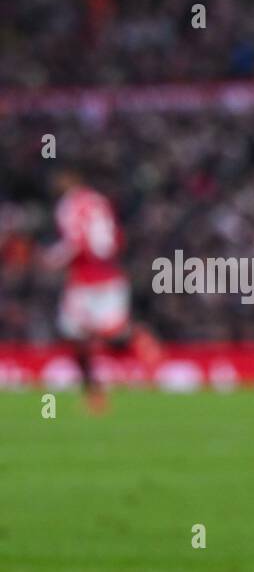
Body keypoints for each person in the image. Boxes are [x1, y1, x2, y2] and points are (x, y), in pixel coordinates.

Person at [47, 169, 158, 413]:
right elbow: (116, 239)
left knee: (79, 337)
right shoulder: (99, 200)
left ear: (72, 179)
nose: (56, 182)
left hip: (86, 279)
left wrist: (53, 259)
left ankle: (96, 394)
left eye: (60, 178)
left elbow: (76, 241)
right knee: (102, 336)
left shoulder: (69, 204)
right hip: (110, 275)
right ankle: (135, 342)